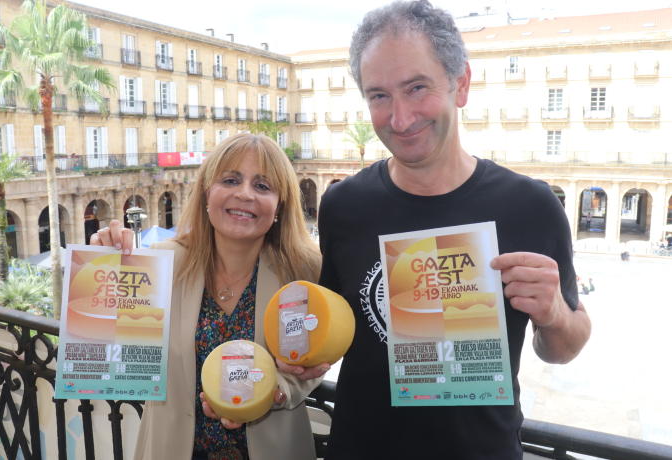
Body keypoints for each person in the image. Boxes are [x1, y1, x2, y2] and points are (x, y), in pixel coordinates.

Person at [317, 2, 591, 459]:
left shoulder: (530, 206)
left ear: (461, 84)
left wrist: (555, 315)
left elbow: (564, 346)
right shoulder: (344, 206)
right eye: (379, 95)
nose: (400, 118)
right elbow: (330, 333)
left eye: (416, 87)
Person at [91, 133, 327, 460]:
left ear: (278, 207)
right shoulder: (158, 266)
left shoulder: (300, 273)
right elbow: (101, 347)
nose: (244, 194)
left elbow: (308, 365)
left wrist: (275, 393)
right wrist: (99, 265)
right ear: (207, 193)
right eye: (230, 180)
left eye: (262, 186)